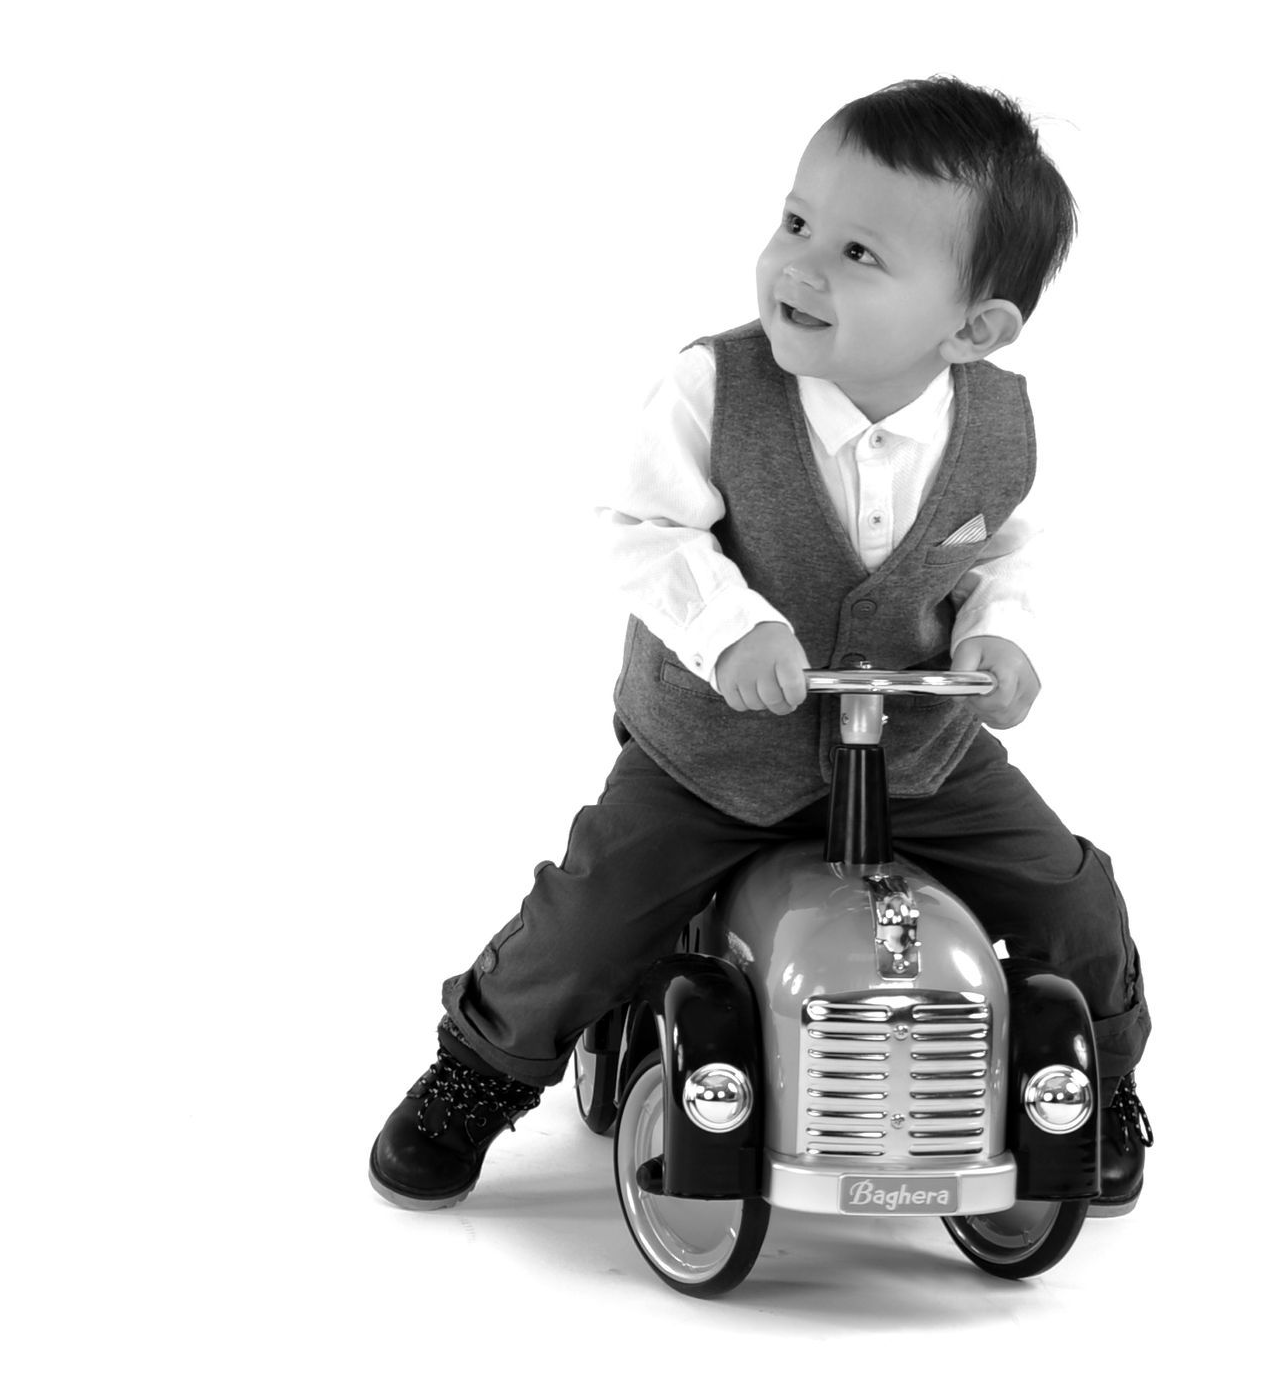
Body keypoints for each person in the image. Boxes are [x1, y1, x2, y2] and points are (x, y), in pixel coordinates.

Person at [369, 76, 1154, 1216]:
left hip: (919, 753)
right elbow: (639, 527)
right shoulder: (713, 387)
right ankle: (477, 1072)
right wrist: (730, 626)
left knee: (1072, 896)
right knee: (597, 908)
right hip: (718, 754)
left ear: (974, 327)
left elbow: (1002, 552)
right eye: (795, 224)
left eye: (858, 254)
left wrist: (1005, 639)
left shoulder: (995, 423)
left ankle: (1095, 1083)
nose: (799, 266)